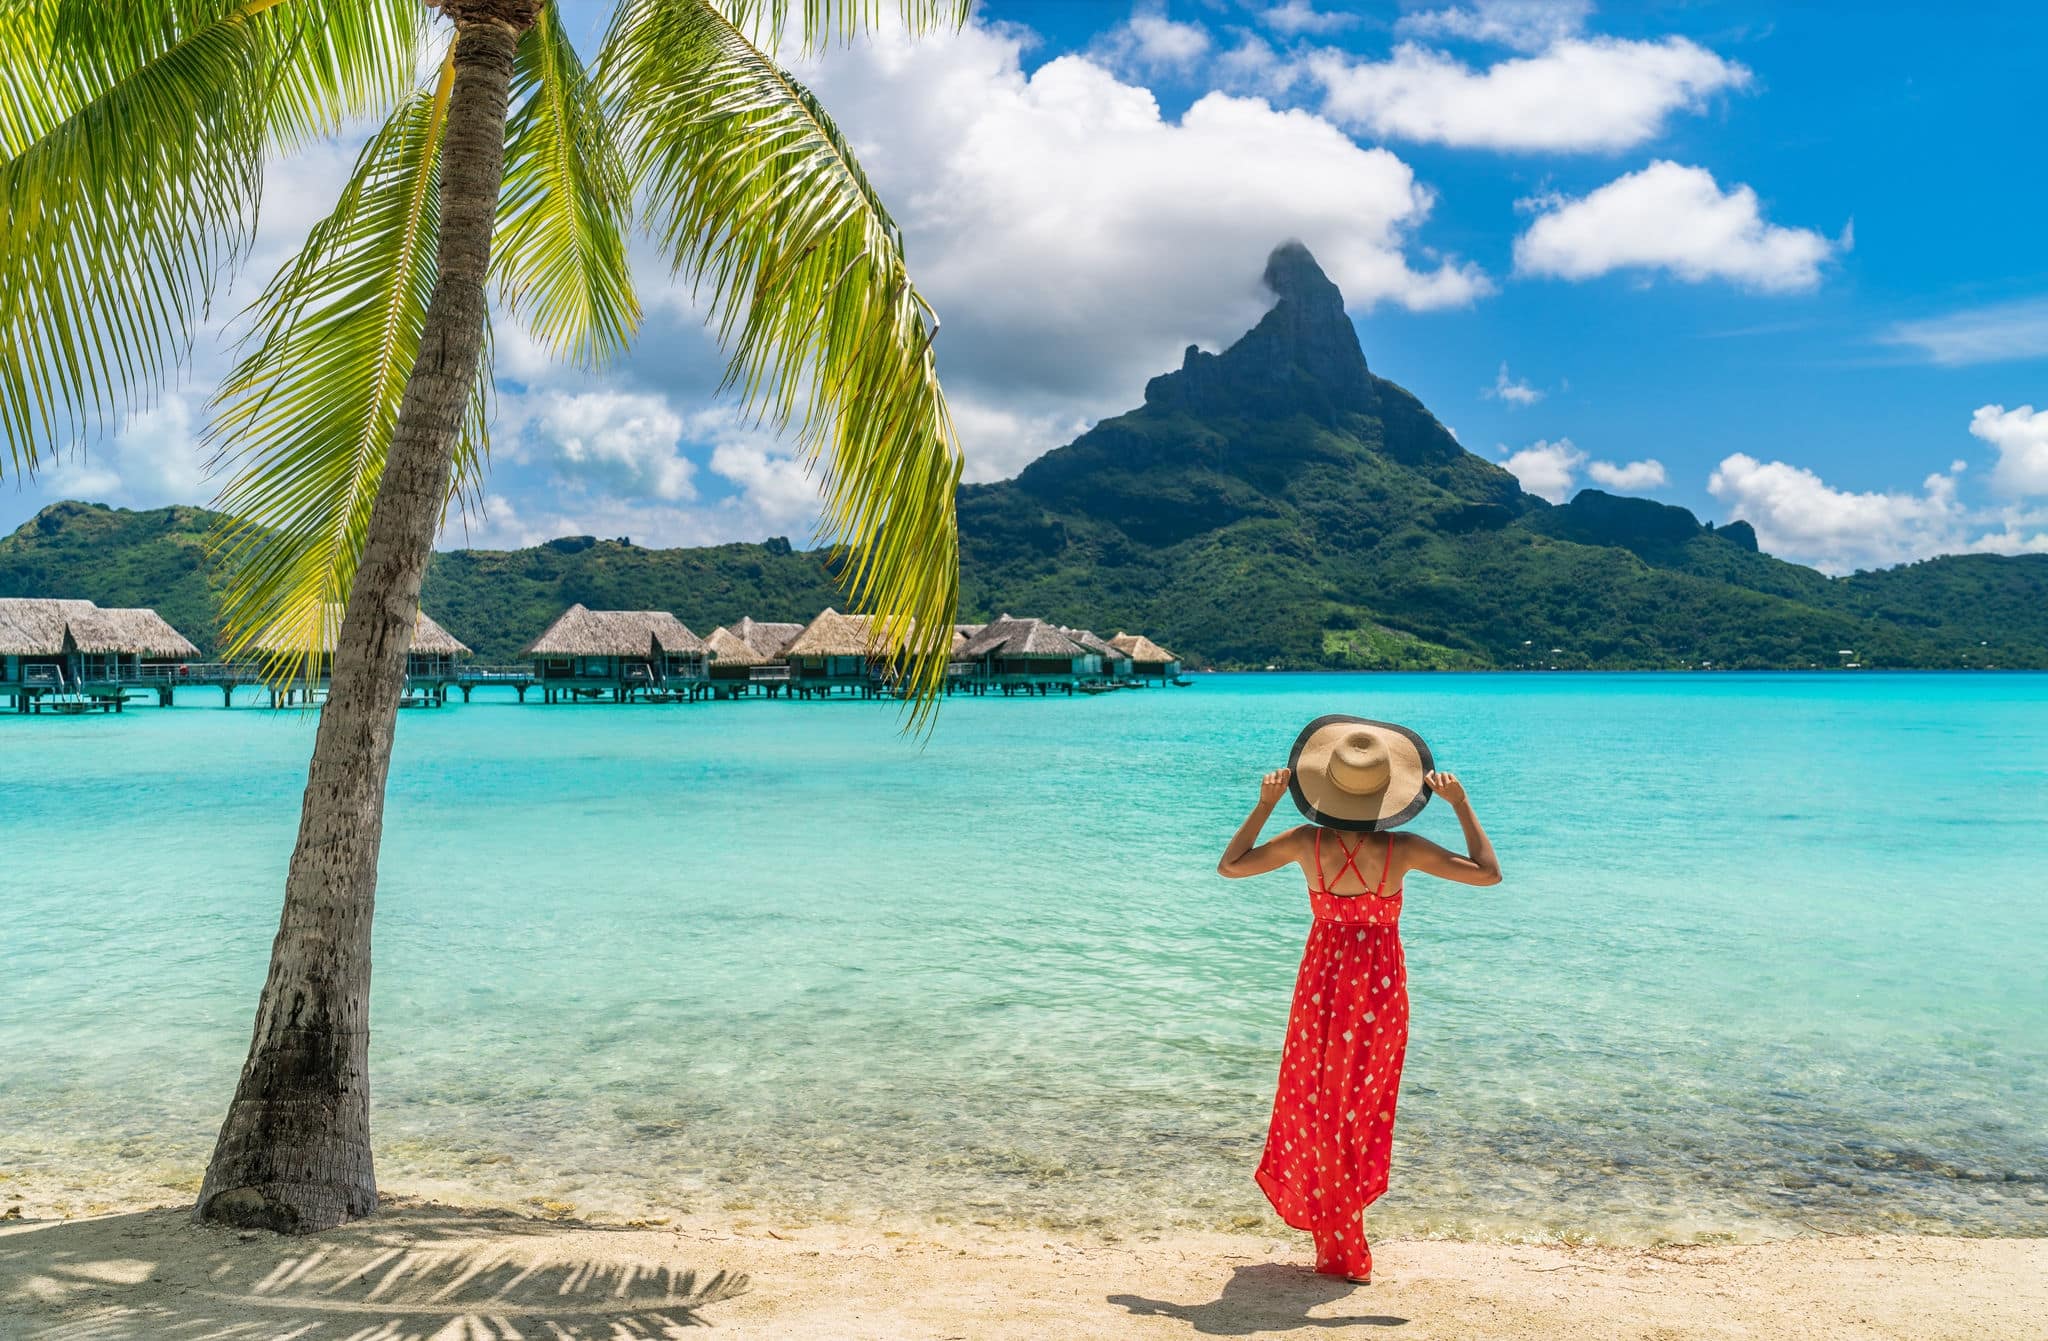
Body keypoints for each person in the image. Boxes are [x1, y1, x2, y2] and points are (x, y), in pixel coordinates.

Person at [1217, 715, 1501, 1283]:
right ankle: (1345, 1240)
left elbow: (1231, 866)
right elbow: (1487, 873)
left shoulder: (1306, 842)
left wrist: (1265, 804)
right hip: (1378, 993)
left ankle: (1336, 1238)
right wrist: (1461, 805)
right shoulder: (1404, 849)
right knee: (1357, 1111)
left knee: (1315, 1105)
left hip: (1319, 988)